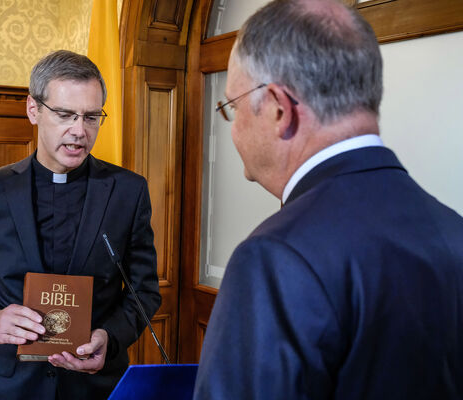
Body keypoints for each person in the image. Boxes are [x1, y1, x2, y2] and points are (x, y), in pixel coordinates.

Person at [193, 0, 463, 398]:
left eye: (232, 107)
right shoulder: (452, 228)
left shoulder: (275, 257)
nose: (233, 131)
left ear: (278, 109)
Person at [0, 50, 161, 400]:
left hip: (94, 386)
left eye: (92, 117)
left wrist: (109, 338)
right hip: (10, 384)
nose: (80, 131)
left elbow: (145, 291)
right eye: (66, 115)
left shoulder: (128, 191)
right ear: (33, 110)